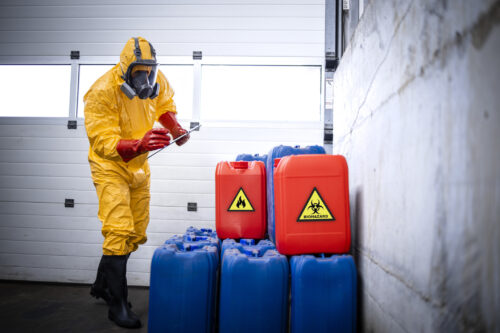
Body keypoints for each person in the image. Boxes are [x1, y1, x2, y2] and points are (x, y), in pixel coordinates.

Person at [84, 37, 190, 328]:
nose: (145, 78)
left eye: (149, 71)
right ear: (125, 70)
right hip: (110, 165)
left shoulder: (159, 79)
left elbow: (164, 104)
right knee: (118, 229)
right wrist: (139, 144)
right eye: (138, 72)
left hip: (139, 165)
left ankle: (102, 285)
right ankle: (117, 305)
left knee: (135, 231)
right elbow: (103, 141)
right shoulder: (102, 91)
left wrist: (177, 129)